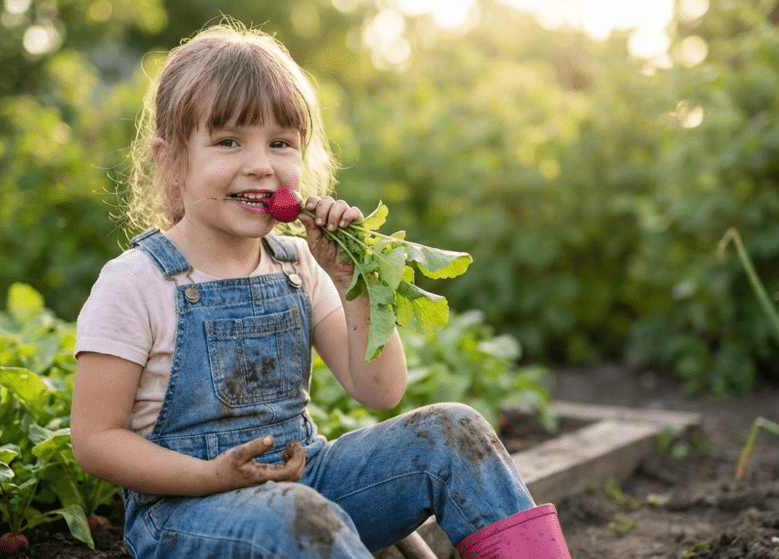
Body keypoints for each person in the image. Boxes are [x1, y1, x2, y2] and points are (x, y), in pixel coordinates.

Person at [69, 20, 571, 559]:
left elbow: (380, 389)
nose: (261, 165)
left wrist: (352, 279)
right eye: (228, 141)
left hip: (306, 485)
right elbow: (96, 441)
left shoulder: (300, 264)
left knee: (453, 431)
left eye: (280, 143)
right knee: (299, 514)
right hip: (185, 513)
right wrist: (211, 475)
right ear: (170, 161)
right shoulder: (137, 282)